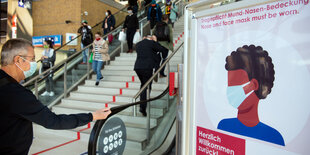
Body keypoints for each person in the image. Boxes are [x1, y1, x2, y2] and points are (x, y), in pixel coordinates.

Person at [0, 38, 111, 154]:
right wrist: (92, 116)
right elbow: (53, 121)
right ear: (18, 60)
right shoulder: (17, 95)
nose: (34, 63)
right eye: (32, 59)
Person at [217, 45, 285, 146]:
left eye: (237, 84)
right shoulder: (224, 126)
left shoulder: (273, 138)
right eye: (230, 84)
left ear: (255, 85)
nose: (231, 91)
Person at [134, 35, 168, 116]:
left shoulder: (138, 44)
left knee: (144, 85)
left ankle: (144, 102)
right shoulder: (151, 43)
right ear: (150, 38)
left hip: (138, 67)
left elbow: (146, 52)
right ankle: (143, 107)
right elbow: (162, 50)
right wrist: (155, 42)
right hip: (147, 67)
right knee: (146, 86)